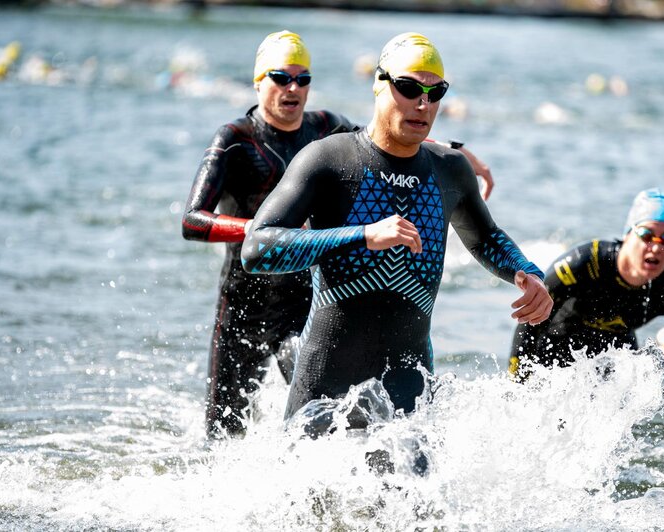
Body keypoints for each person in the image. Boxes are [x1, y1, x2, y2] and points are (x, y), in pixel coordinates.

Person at [182, 31, 495, 438]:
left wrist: (457, 152)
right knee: (222, 431)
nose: (293, 88)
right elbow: (192, 221)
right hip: (247, 301)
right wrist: (263, 230)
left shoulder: (324, 127)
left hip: (301, 298)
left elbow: (388, 131)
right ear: (260, 82)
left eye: (303, 79)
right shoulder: (235, 140)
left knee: (328, 412)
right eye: (281, 77)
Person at [240, 32, 553, 427]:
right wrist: (363, 235)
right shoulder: (328, 159)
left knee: (411, 488)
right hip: (323, 389)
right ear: (380, 84)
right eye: (408, 88)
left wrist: (528, 275)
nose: (423, 103)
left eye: (435, 92)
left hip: (406, 394)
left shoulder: (449, 169)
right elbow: (257, 249)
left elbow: (486, 236)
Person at [508, 189, 664, 424]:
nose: (656, 247)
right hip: (555, 350)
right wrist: (517, 392)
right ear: (628, 235)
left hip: (614, 358)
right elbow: (527, 324)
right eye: (647, 235)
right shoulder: (584, 264)